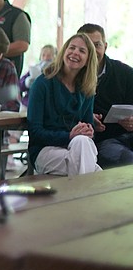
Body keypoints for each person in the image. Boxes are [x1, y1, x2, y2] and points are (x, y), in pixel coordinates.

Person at [27, 33, 101, 176]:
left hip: (77, 148)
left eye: (82, 51)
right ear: (64, 52)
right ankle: (84, 194)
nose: (75, 53)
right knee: (98, 176)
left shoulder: (87, 89)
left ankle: (78, 196)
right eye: (71, 48)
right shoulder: (42, 84)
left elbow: (87, 130)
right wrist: (69, 135)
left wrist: (88, 131)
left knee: (82, 142)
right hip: (45, 150)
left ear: (88, 60)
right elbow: (35, 132)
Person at [77, 24, 133, 169]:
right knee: (128, 160)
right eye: (88, 45)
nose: (93, 50)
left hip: (128, 134)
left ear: (105, 46)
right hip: (101, 141)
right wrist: (88, 118)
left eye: (97, 45)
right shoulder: (71, 76)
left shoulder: (125, 73)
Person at [19, 44, 56, 108]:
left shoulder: (57, 72)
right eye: (43, 55)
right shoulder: (34, 69)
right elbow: (19, 85)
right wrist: (27, 82)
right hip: (28, 102)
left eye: (49, 56)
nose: (46, 58)